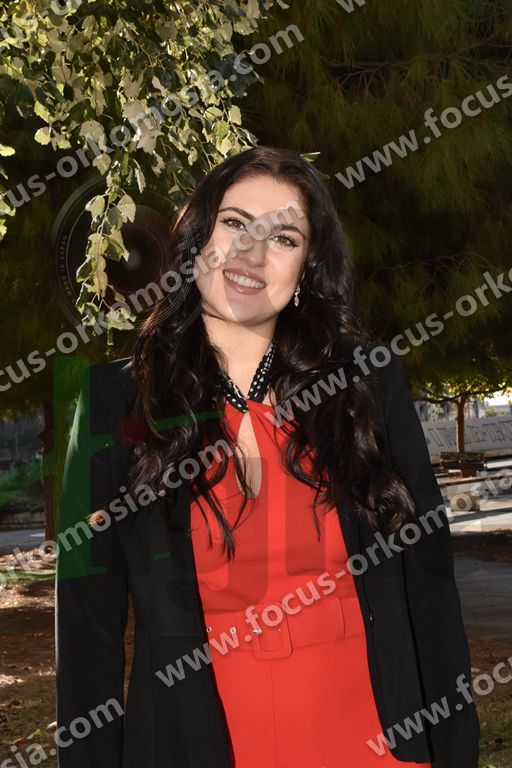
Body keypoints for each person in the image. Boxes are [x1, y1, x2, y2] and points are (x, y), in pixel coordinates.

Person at [55, 146, 480, 768]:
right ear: (197, 241)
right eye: (235, 223)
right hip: (193, 745)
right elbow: (87, 634)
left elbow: (431, 592)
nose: (252, 255)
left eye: (284, 238)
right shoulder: (112, 402)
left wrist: (455, 750)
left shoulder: (366, 385)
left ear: (306, 268)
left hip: (374, 744)